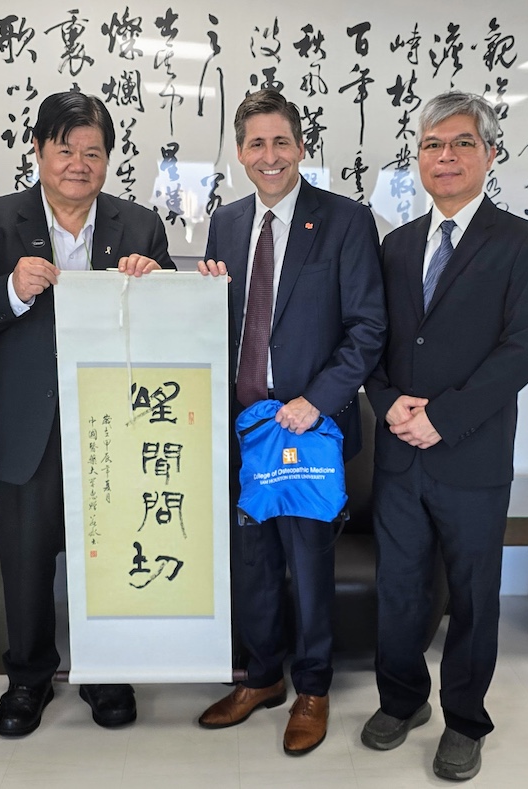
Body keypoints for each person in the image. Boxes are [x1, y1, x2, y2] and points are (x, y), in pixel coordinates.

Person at [0, 91, 175, 737]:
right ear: (40, 150)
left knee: (107, 553)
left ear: (108, 160)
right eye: (65, 148)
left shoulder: (139, 224)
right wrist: (9, 290)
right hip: (23, 423)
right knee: (24, 556)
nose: (78, 162)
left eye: (92, 152)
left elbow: (162, 327)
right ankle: (28, 677)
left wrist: (150, 281)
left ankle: (105, 672)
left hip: (114, 424)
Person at [361, 91, 528, 781]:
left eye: (461, 143)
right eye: (432, 145)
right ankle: (402, 699)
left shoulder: (523, 244)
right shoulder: (396, 243)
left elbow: (520, 351)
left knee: (472, 594)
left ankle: (466, 720)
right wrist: (386, 405)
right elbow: (375, 341)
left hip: (471, 453)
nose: (445, 157)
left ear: (490, 155)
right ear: (417, 159)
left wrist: (442, 416)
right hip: (399, 456)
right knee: (401, 588)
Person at [196, 89, 386, 755]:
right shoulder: (224, 223)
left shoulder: (345, 221)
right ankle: (261, 675)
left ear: (301, 147)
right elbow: (223, 320)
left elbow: (368, 328)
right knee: (252, 561)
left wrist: (320, 399)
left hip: (308, 431)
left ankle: (312, 686)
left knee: (308, 564)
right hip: (247, 431)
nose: (268, 156)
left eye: (280, 142)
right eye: (255, 143)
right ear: (240, 152)